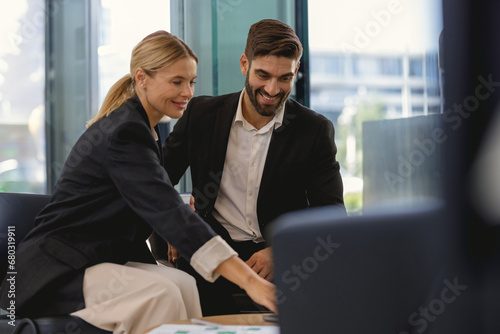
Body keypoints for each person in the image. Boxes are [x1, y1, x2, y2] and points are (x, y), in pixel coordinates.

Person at [0, 31, 276, 334]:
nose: (187, 92)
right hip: (54, 275)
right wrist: (251, 282)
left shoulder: (145, 129)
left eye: (191, 82)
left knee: (182, 284)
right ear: (141, 77)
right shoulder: (125, 133)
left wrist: (173, 217)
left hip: (92, 260)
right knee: (162, 294)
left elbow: (152, 201)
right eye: (176, 82)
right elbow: (167, 210)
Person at [161, 19, 346, 316]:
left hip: (283, 256)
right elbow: (156, 178)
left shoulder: (315, 130)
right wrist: (176, 218)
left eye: (284, 78)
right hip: (212, 249)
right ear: (245, 64)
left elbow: (333, 213)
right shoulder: (201, 115)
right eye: (263, 75)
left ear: (295, 71)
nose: (273, 89)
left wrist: (283, 252)